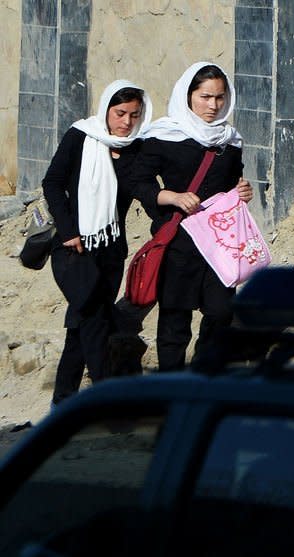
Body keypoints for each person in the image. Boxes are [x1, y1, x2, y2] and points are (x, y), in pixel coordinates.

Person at [128, 62, 253, 371]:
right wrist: (173, 197)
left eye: (220, 98)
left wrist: (242, 191)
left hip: (219, 243)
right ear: (188, 95)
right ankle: (171, 387)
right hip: (179, 241)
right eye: (205, 97)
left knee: (221, 312)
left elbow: (231, 184)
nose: (213, 106)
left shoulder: (229, 141)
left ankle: (203, 375)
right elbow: (137, 182)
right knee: (174, 318)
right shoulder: (163, 136)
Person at [43, 80, 153, 405]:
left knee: (81, 324)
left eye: (134, 115)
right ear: (106, 109)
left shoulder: (137, 148)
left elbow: (145, 190)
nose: (126, 122)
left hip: (112, 250)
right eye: (120, 113)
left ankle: (63, 402)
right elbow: (52, 183)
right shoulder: (81, 136)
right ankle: (107, 402)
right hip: (75, 249)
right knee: (94, 320)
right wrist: (68, 231)